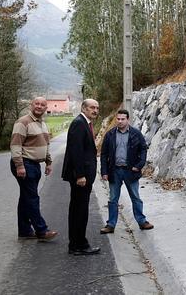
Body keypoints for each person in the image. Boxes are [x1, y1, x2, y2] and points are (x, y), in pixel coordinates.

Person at [10, 97, 58, 241]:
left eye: (42, 105)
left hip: (35, 164)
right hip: (25, 163)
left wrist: (48, 162)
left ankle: (24, 231)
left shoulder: (42, 124)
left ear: (45, 108)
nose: (39, 106)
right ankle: (42, 231)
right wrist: (19, 165)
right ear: (31, 105)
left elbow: (46, 144)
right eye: (36, 104)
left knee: (26, 197)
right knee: (32, 198)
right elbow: (15, 145)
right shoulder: (22, 122)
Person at [100, 109, 153, 234]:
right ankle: (111, 225)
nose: (120, 121)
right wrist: (104, 171)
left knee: (135, 197)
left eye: (122, 119)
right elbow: (104, 154)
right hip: (115, 171)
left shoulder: (136, 134)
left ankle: (142, 221)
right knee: (113, 199)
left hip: (131, 171)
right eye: (118, 119)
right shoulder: (110, 134)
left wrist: (139, 165)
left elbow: (143, 150)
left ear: (127, 119)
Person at [62, 99, 101, 255]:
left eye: (97, 108)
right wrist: (80, 175)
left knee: (79, 209)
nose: (95, 110)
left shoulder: (85, 123)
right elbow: (76, 151)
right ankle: (79, 245)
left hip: (83, 176)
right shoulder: (79, 123)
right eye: (92, 107)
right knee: (79, 210)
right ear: (83, 108)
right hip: (81, 177)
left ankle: (77, 243)